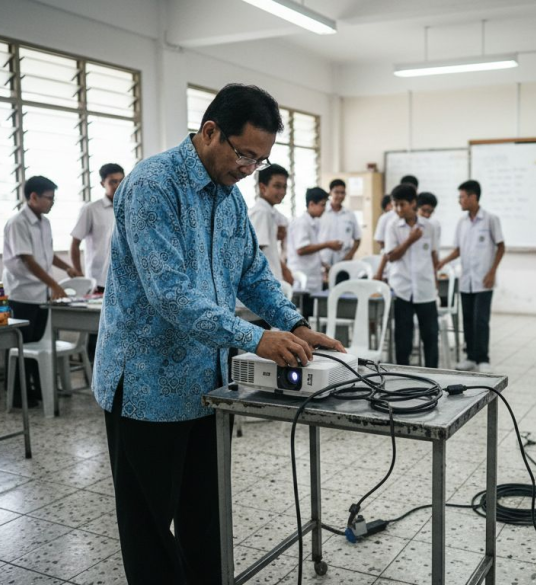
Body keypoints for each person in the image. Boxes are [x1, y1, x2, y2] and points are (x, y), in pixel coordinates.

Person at [91, 84, 344, 585]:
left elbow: (252, 272)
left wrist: (294, 324)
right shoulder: (152, 186)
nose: (249, 169)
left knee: (205, 518)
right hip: (147, 388)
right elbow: (170, 295)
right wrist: (255, 339)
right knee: (149, 531)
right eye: (244, 154)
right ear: (210, 132)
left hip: (205, 388)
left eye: (259, 160)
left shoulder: (228, 199)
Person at [3, 175, 79, 406]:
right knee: (22, 346)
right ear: (33, 197)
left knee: (38, 342)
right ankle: (18, 394)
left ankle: (36, 390)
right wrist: (54, 284)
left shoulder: (44, 222)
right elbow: (28, 260)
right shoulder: (18, 222)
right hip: (21, 294)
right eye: (49, 198)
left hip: (40, 295)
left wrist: (67, 268)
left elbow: (46, 255)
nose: (52, 203)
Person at [437, 180, 505, 373]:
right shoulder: (462, 222)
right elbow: (458, 249)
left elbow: (501, 246)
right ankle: (471, 357)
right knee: (467, 319)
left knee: (481, 320)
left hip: (484, 280)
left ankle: (483, 358)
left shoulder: (491, 219)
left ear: (473, 197)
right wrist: (443, 261)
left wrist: (492, 272)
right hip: (466, 280)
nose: (460, 201)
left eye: (462, 197)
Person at [71, 163, 124, 363]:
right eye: (113, 181)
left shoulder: (128, 205)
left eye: (121, 180)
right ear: (103, 183)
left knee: (117, 330)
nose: (118, 185)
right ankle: (95, 372)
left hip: (121, 281)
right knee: (96, 331)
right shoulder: (91, 209)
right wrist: (78, 273)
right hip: (98, 281)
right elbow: (75, 242)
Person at [384, 183, 440, 367]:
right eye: (396, 205)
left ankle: (434, 375)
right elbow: (391, 256)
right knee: (403, 339)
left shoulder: (429, 226)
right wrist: (410, 240)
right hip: (402, 289)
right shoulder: (392, 226)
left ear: (413, 203)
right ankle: (404, 374)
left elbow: (433, 254)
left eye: (403, 204)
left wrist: (436, 279)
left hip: (425, 289)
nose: (398, 209)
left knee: (430, 337)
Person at [287, 186, 341, 295]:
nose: (324, 209)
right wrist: (327, 245)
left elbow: (312, 249)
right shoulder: (301, 223)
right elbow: (301, 249)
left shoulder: (313, 223)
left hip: (312, 277)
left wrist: (323, 264)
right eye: (322, 205)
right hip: (303, 277)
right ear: (311, 204)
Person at [249, 164, 294, 284]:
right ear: (263, 188)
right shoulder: (262, 212)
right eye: (277, 186)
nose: (282, 192)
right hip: (262, 282)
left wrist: (284, 269)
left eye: (285, 187)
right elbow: (255, 253)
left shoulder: (270, 212)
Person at [319, 178, 362, 280]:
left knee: (344, 291)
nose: (340, 196)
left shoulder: (350, 215)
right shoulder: (322, 212)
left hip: (344, 262)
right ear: (330, 193)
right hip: (323, 264)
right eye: (336, 192)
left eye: (342, 193)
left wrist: (350, 255)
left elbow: (357, 238)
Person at [418, 191, 441, 264]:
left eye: (430, 211)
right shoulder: (410, 224)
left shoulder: (435, 224)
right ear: (416, 208)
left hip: (428, 267)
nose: (427, 215)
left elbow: (435, 248)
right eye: (424, 210)